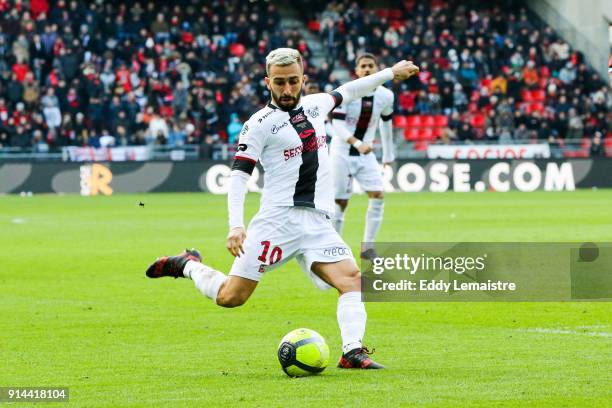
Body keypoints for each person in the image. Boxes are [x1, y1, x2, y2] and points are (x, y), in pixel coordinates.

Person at [144, 48, 419, 370]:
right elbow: (238, 175)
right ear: (267, 82)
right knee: (231, 297)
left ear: (303, 79)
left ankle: (352, 352)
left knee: (353, 281)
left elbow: (350, 89)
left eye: (292, 81)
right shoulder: (258, 124)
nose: (287, 89)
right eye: (279, 83)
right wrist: (236, 225)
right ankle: (188, 264)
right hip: (277, 221)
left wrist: (390, 73)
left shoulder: (317, 105)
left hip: (316, 222)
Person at [329, 53, 395, 259]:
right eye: (363, 66)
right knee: (340, 201)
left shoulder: (386, 96)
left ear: (377, 69)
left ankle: (368, 248)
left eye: (371, 66)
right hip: (341, 153)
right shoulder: (347, 93)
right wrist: (357, 143)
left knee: (378, 195)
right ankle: (333, 249)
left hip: (366, 155)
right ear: (356, 71)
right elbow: (336, 124)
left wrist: (388, 155)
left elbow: (386, 124)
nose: (367, 69)